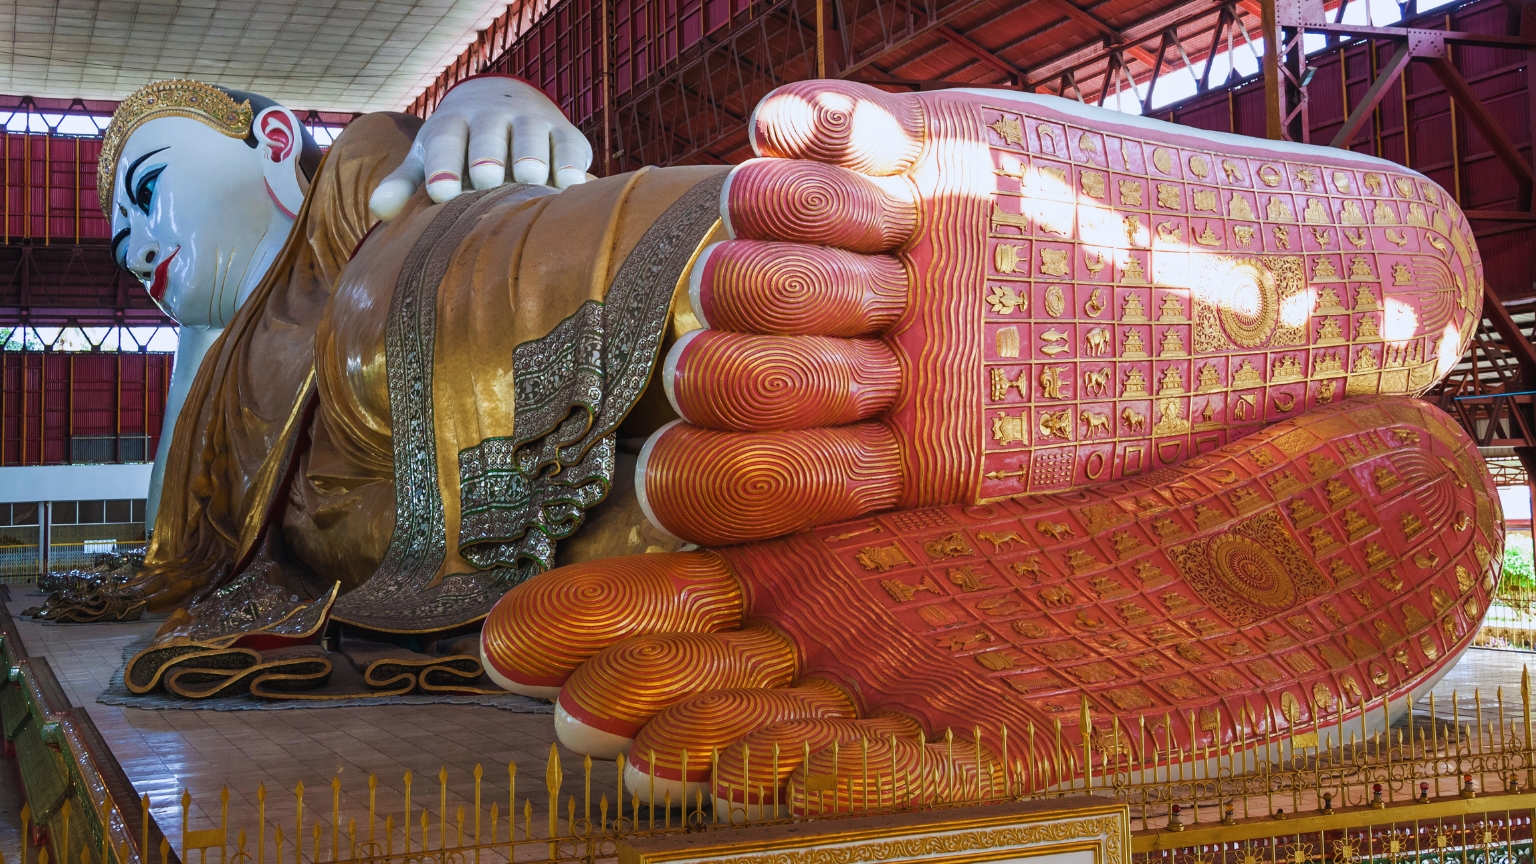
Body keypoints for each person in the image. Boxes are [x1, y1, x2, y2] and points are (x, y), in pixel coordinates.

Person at [65, 76, 1500, 774]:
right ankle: (897, 529)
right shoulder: (209, 423)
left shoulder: (349, 191)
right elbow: (201, 554)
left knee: (420, 299)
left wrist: (478, 107)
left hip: (443, 312)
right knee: (684, 534)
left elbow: (430, 164)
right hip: (513, 546)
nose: (129, 248)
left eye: (142, 191)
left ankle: (869, 278)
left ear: (262, 143)